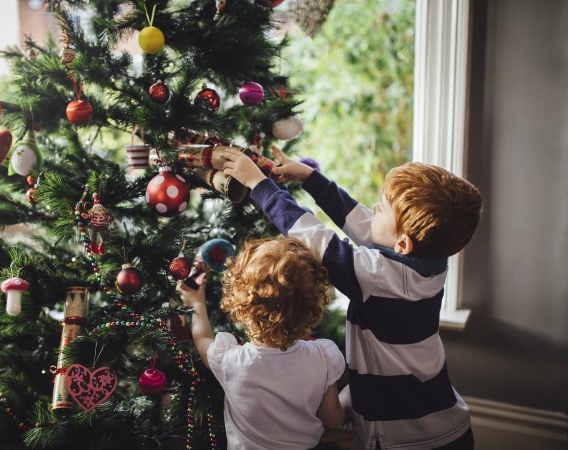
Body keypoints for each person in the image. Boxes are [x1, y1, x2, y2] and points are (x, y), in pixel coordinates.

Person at [221, 145, 483, 450]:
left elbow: (315, 239)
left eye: (382, 208)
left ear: (402, 243)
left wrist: (259, 186)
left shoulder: (378, 278)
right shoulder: (429, 262)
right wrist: (311, 178)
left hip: (410, 439)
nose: (373, 207)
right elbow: (362, 223)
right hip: (446, 425)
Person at [178, 236, 347, 450]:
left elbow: (202, 338)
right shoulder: (323, 357)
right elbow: (332, 419)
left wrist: (196, 301)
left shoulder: (231, 360)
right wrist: (348, 399)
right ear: (311, 307)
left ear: (243, 306)